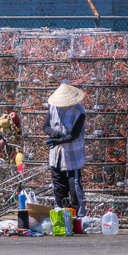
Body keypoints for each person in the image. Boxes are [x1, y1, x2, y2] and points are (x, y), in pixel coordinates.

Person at [42, 83, 86, 217]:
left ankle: (78, 217)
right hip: (56, 156)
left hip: (72, 156)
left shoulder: (79, 111)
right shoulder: (53, 108)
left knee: (74, 188)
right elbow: (45, 126)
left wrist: (59, 141)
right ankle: (62, 216)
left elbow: (74, 135)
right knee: (59, 188)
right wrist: (54, 134)